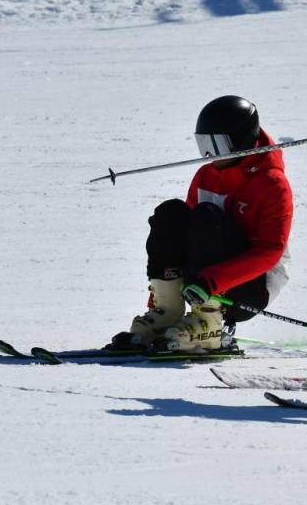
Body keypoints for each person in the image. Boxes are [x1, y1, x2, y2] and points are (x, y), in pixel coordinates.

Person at [108, 95, 293, 352]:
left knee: (207, 216)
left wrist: (213, 282)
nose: (210, 154)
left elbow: (270, 252)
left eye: (217, 144)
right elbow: (184, 235)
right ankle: (168, 314)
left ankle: (209, 324)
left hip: (250, 287)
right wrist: (162, 293)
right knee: (171, 213)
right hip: (202, 280)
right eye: (204, 144)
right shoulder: (206, 175)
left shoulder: (272, 184)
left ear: (241, 141)